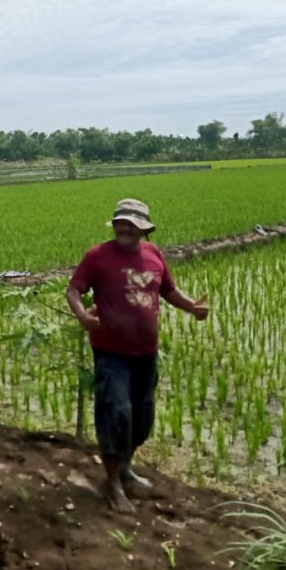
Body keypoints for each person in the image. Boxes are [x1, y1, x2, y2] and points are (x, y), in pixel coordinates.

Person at [65, 198, 208, 514]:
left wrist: (192, 308)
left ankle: (126, 468)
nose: (124, 228)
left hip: (146, 352)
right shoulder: (98, 256)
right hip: (110, 353)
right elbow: (73, 291)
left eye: (131, 224)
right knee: (117, 413)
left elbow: (168, 291)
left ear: (145, 228)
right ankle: (113, 484)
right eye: (120, 222)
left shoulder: (154, 254)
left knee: (141, 419)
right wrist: (82, 317)